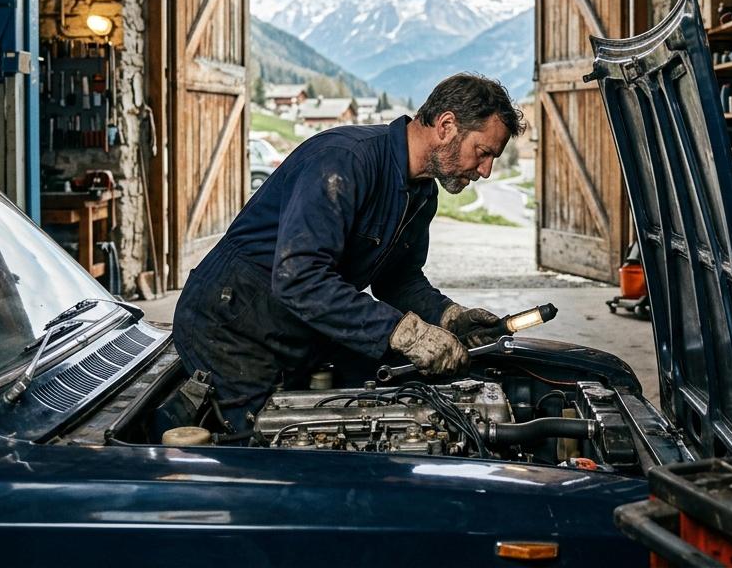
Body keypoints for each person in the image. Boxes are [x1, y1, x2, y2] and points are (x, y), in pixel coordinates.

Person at [172, 73, 527, 432]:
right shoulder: (343, 162)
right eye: (483, 153)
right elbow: (300, 279)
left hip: (297, 325)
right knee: (271, 442)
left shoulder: (421, 194)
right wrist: (407, 333)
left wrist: (448, 316)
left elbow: (398, 280)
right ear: (447, 125)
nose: (485, 171)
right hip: (230, 325)